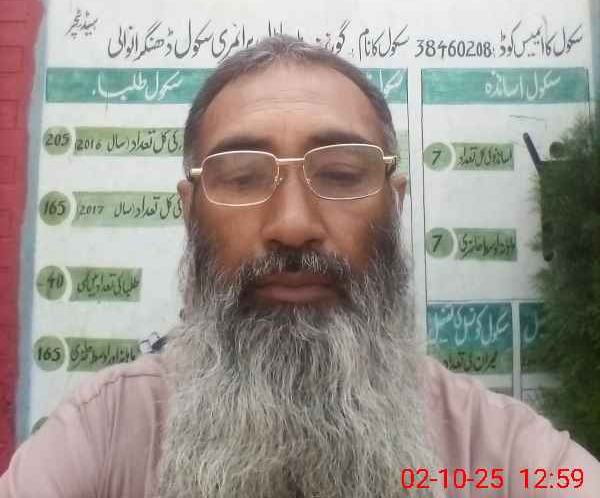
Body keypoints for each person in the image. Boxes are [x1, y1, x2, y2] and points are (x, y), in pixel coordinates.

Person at [1, 35, 599, 498]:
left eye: (339, 174)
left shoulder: (500, 455)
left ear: (394, 204)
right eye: (242, 178)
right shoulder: (104, 434)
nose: (291, 223)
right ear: (191, 212)